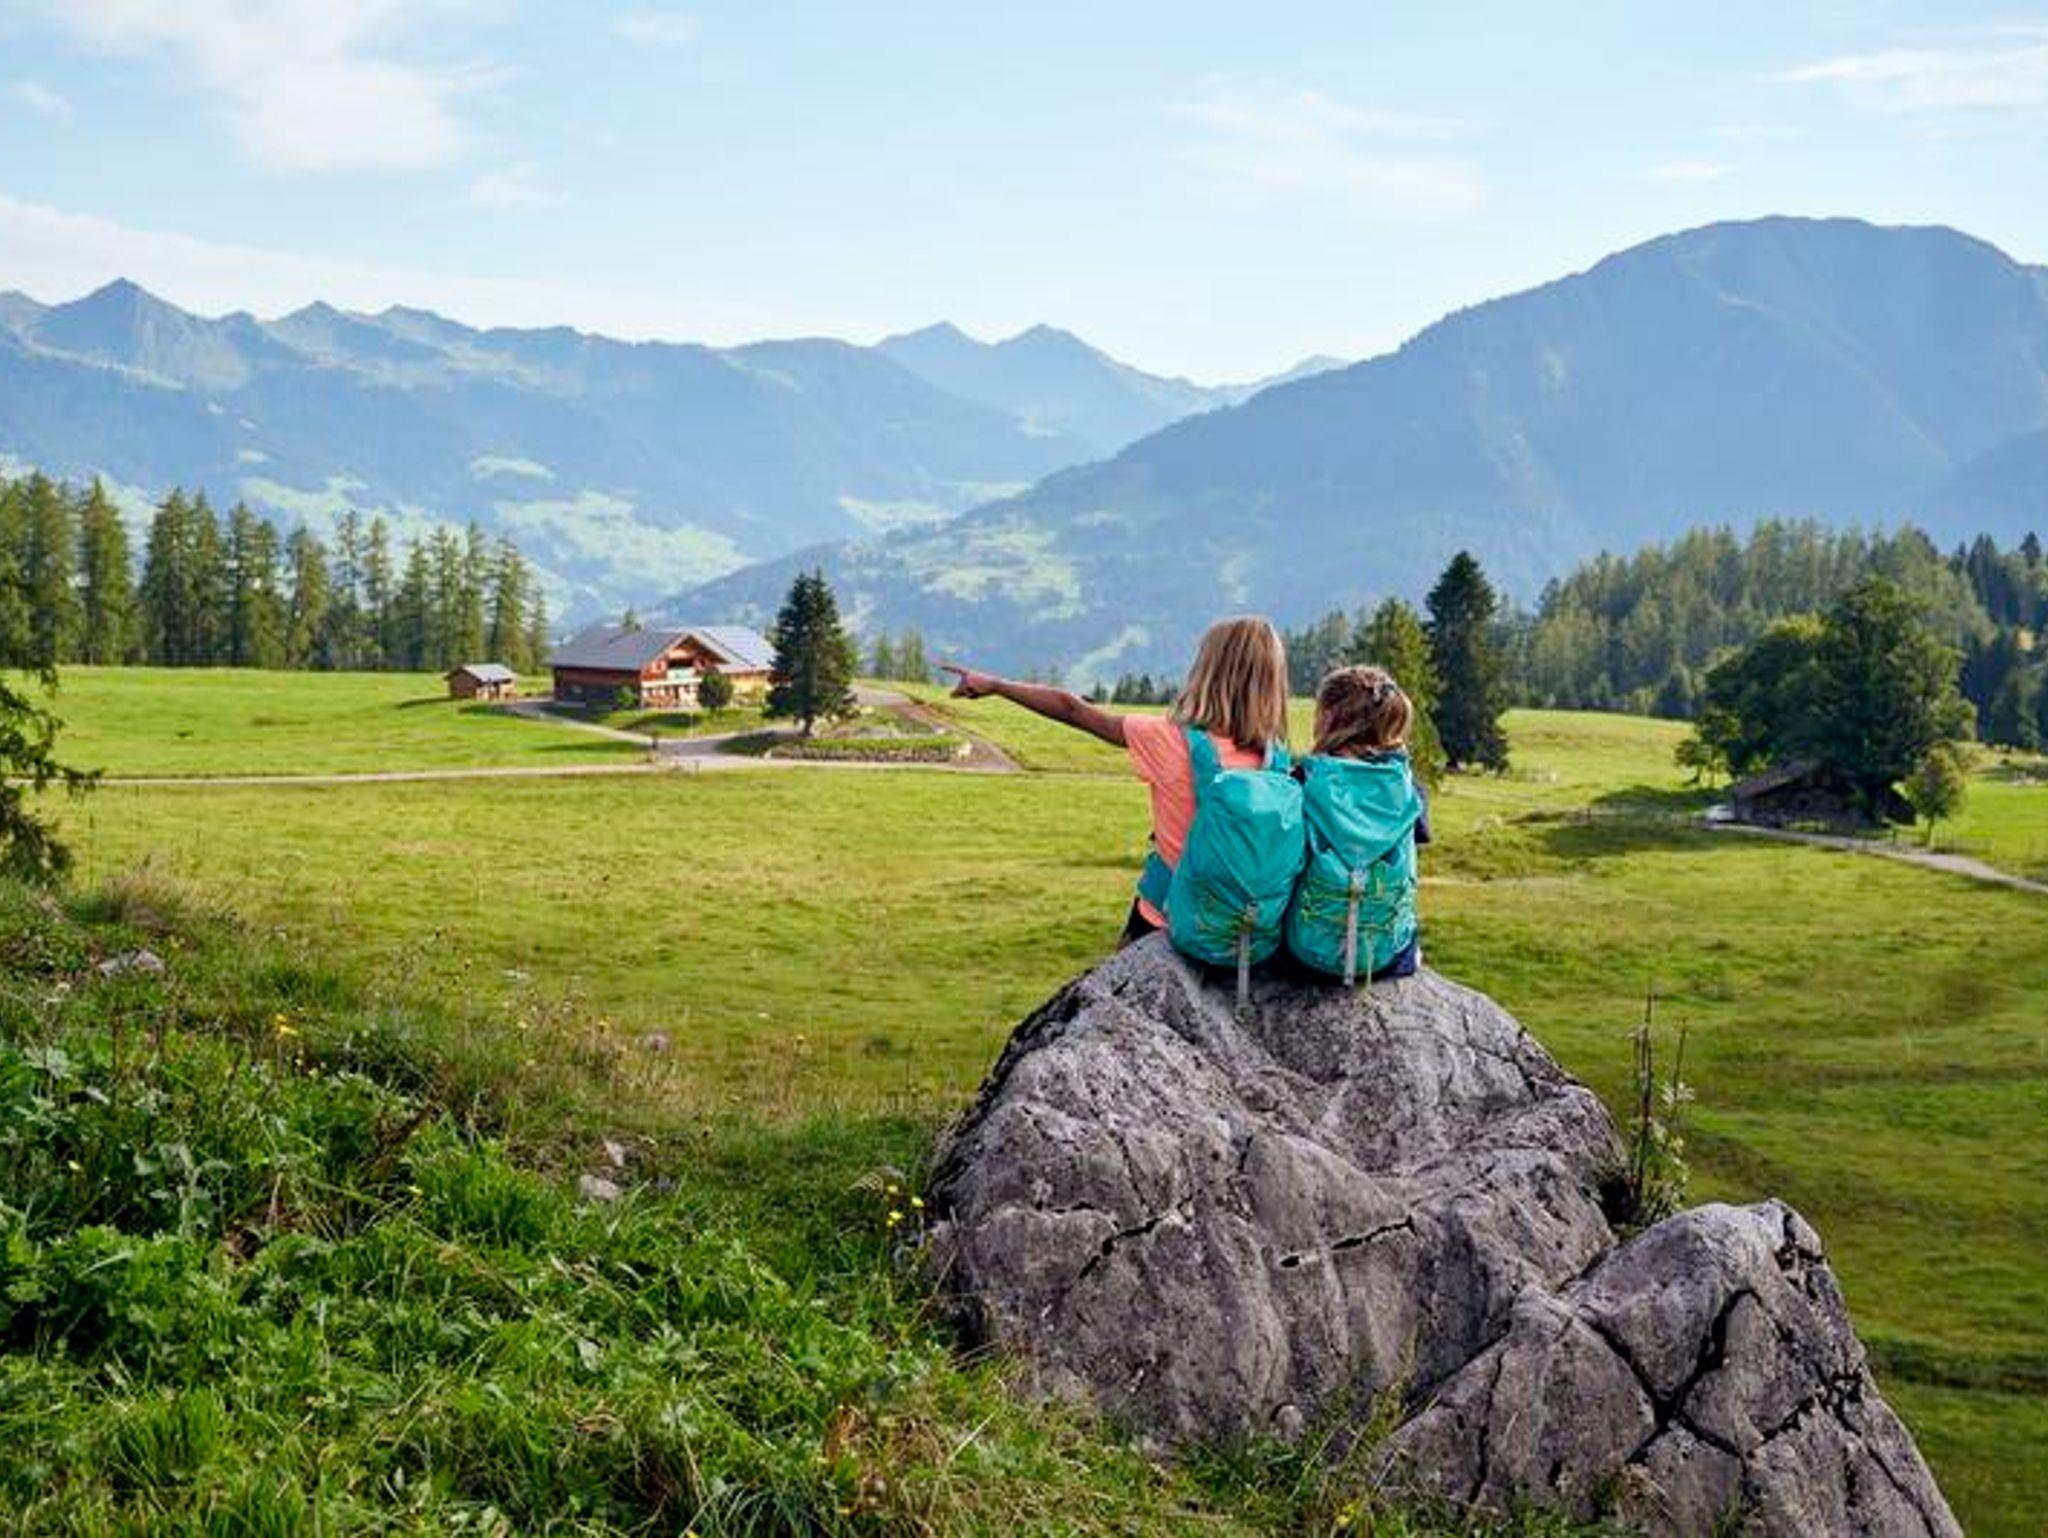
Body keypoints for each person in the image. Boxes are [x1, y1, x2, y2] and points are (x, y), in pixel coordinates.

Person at [940, 616, 1291, 945]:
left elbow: (1073, 709)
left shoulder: (1168, 738)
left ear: (1207, 672)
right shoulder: (1277, 759)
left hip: (1165, 922)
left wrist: (996, 685)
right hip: (1249, 931)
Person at [1286, 663, 1430, 981]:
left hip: (1305, 955)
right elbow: (1421, 836)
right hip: (1385, 958)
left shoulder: (1303, 780)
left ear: (1327, 718)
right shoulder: (1409, 788)